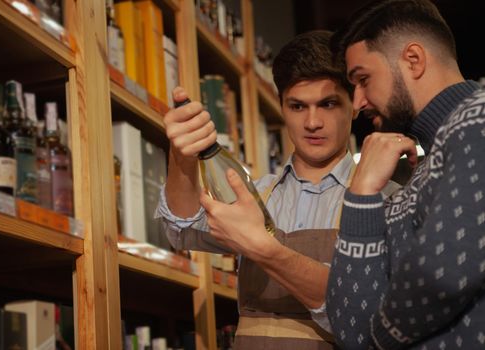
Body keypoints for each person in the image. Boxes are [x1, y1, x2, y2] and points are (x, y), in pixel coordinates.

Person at [157, 30, 395, 349]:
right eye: (297, 106)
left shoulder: (385, 199)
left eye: (327, 104)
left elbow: (367, 312)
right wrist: (181, 156)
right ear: (281, 106)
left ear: (353, 104)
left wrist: (262, 247)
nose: (312, 122)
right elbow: (181, 228)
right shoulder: (256, 193)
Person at [325, 0, 485, 349]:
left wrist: (377, 341)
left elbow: (444, 274)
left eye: (363, 80)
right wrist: (362, 191)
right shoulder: (420, 171)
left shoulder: (478, 120)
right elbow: (348, 326)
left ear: (413, 60)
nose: (358, 103)